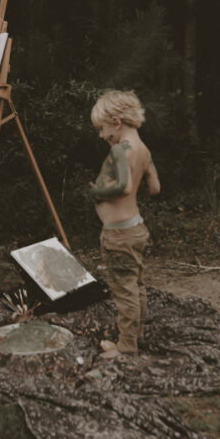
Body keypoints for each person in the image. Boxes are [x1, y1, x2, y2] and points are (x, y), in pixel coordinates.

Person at [87, 90, 161, 358]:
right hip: (136, 228)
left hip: (119, 235)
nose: (101, 135)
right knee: (136, 286)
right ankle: (136, 336)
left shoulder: (120, 150)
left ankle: (126, 347)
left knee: (124, 291)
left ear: (116, 121)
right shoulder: (144, 150)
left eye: (102, 129)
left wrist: (97, 192)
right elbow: (154, 187)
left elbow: (123, 187)